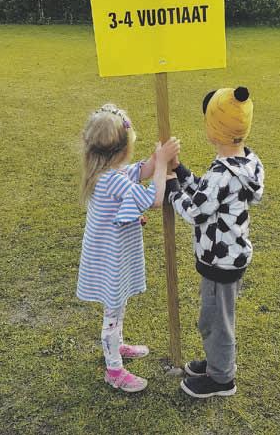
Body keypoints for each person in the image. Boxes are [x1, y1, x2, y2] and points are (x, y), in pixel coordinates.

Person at [165, 87, 264, 398]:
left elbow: (195, 210)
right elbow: (207, 196)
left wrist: (171, 188)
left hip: (219, 262)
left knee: (215, 320)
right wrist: (180, 171)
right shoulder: (246, 163)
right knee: (219, 316)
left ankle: (221, 379)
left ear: (213, 130)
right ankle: (217, 363)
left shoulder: (221, 174)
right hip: (232, 257)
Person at [77, 103, 180, 393]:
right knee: (112, 311)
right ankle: (114, 370)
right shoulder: (110, 179)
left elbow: (138, 172)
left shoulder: (108, 171)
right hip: (111, 258)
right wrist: (160, 166)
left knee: (117, 304)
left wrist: (154, 161)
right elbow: (154, 199)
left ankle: (116, 345)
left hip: (113, 254)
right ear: (121, 150)